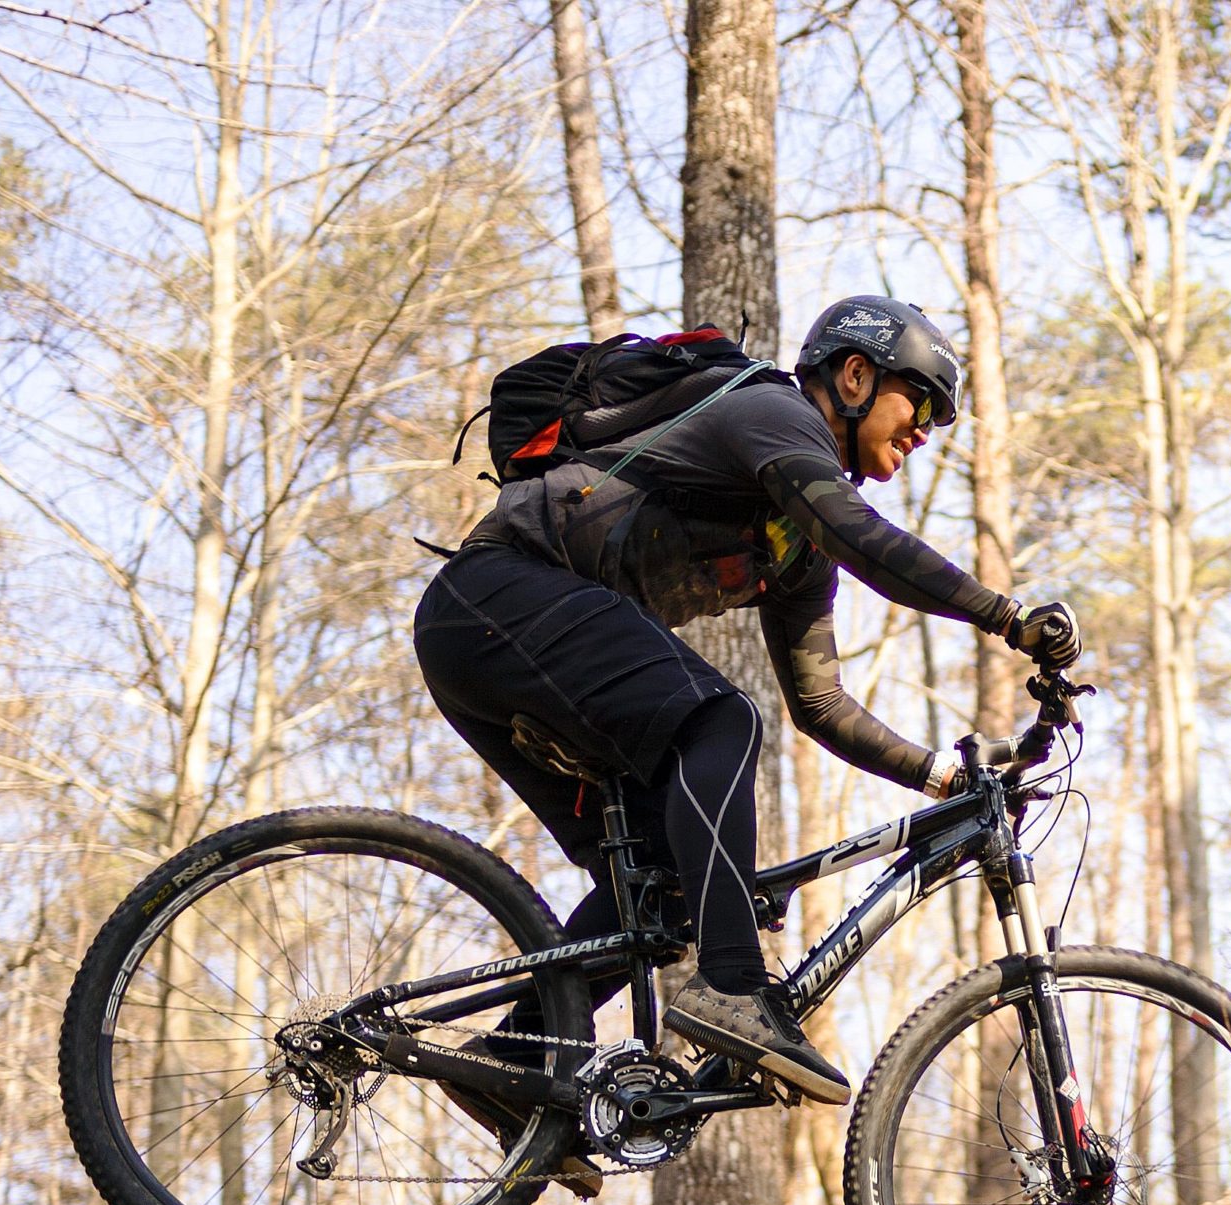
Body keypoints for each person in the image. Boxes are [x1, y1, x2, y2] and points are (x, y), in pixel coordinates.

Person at [412, 296, 1079, 1111]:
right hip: (492, 601)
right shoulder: (769, 411)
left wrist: (939, 772)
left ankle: (514, 1062)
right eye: (921, 402)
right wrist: (1006, 615)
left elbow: (822, 702)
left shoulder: (794, 551)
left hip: (505, 641)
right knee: (719, 718)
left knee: (660, 883)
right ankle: (732, 988)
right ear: (857, 374)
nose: (925, 430)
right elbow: (859, 536)